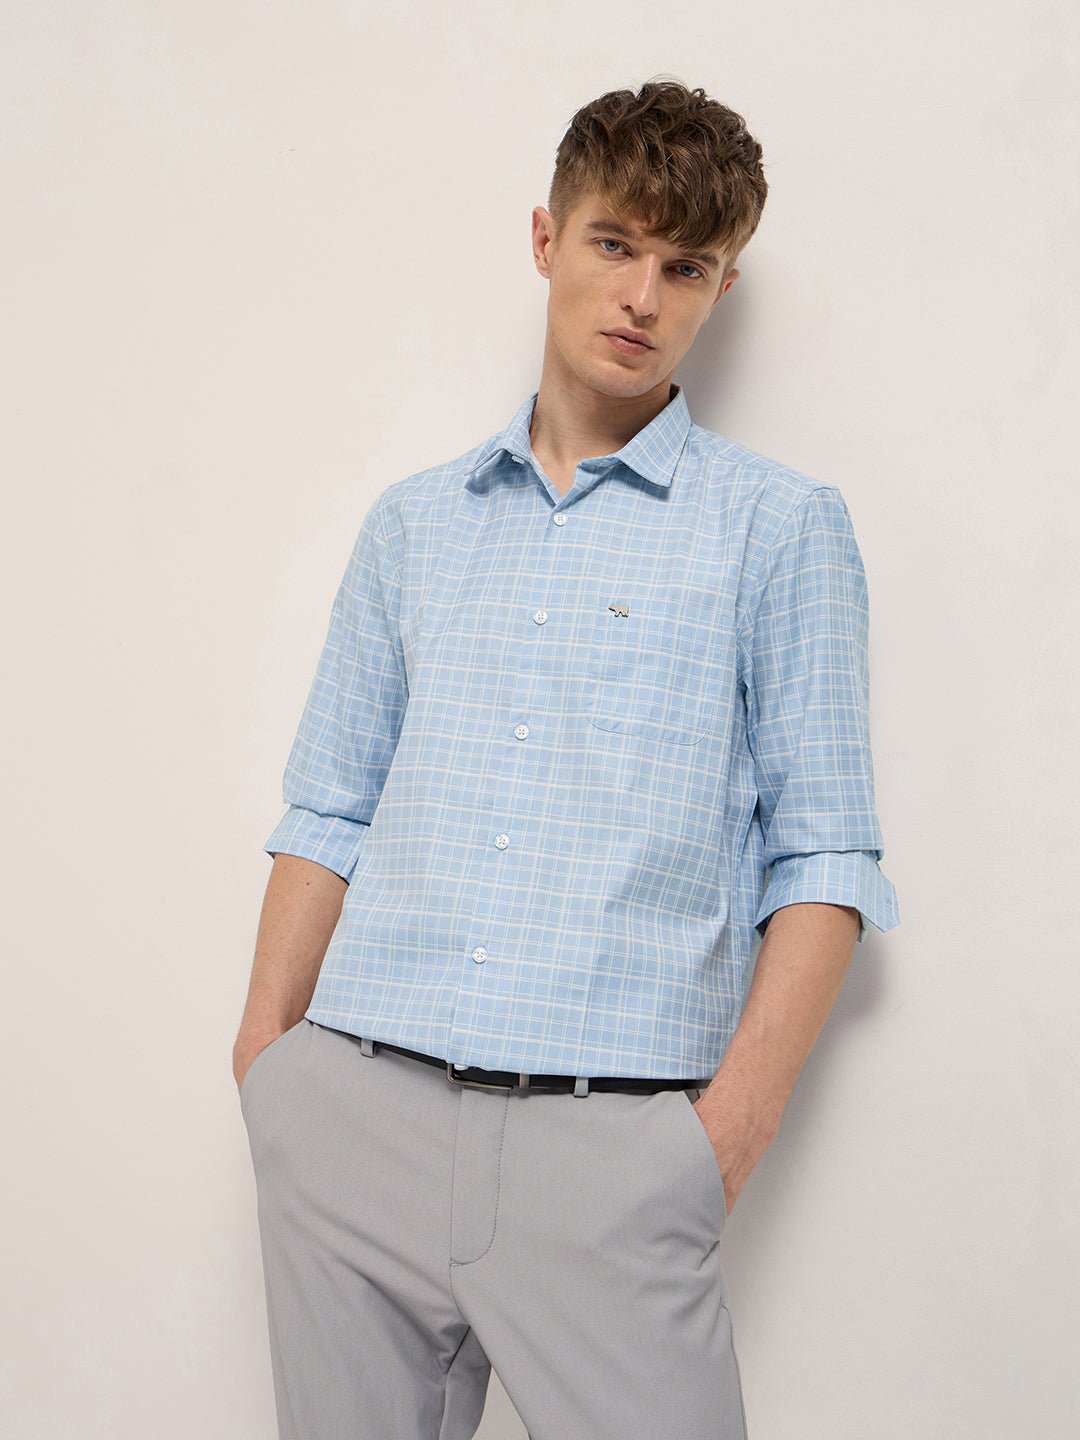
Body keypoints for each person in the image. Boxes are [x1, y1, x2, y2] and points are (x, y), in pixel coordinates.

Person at [233, 79, 898, 1440]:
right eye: (615, 244)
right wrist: (268, 1069)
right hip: (354, 1114)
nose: (643, 296)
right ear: (547, 239)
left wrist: (721, 1139)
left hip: (613, 1153)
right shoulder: (414, 525)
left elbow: (826, 858)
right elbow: (331, 808)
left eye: (686, 267)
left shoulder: (778, 530)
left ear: (720, 287)